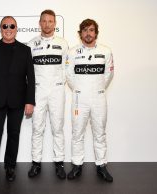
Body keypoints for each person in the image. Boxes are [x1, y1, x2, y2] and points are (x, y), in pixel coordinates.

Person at [0, 16, 35, 185]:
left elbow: (30, 78)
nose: (8, 28)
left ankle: (10, 167)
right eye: (5, 26)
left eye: (12, 26)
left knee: (14, 135)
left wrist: (30, 101)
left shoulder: (25, 50)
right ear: (0, 28)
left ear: (16, 28)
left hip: (18, 102)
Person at [65, 19, 114, 182]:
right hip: (79, 98)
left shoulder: (106, 51)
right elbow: (69, 76)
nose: (88, 33)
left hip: (99, 97)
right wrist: (80, 89)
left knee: (100, 133)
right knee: (77, 132)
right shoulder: (72, 52)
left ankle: (101, 165)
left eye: (91, 30)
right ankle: (77, 165)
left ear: (96, 33)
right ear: (80, 34)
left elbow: (108, 75)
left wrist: (98, 88)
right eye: (85, 30)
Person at [27, 9, 68, 179]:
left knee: (57, 128)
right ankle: (36, 163)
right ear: (39, 23)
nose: (47, 24)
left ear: (55, 24)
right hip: (38, 90)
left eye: (50, 21)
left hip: (57, 90)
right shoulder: (31, 44)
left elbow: (67, 68)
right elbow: (27, 71)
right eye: (44, 21)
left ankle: (59, 163)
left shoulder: (63, 43)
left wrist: (59, 83)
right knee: (37, 127)